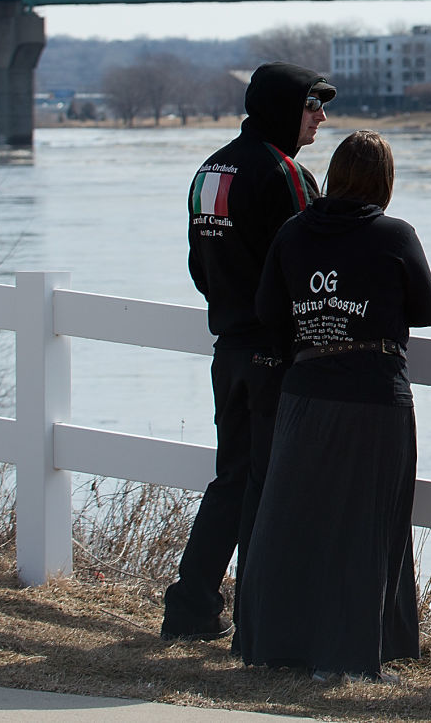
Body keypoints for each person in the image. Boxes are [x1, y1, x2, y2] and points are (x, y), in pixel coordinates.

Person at [235, 129, 431, 681]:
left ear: (334, 174)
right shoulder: (394, 234)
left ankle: (282, 643)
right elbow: (426, 310)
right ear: (384, 181)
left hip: (305, 390)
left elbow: (268, 309)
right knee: (370, 523)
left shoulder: (294, 231)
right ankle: (353, 653)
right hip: (374, 391)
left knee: (295, 518)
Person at [161, 62, 335, 642]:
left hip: (230, 350)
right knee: (268, 487)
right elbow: (309, 267)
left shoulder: (211, 170)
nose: (320, 118)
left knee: (232, 480)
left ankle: (191, 606)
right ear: (284, 108)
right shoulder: (285, 173)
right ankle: (259, 625)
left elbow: (199, 267)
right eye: (312, 105)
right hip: (273, 354)